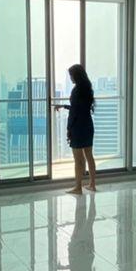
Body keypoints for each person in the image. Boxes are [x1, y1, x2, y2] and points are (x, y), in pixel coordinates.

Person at [53, 64, 97, 194]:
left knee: (78, 159)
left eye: (71, 75)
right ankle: (92, 184)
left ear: (76, 76)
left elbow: (74, 112)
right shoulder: (87, 88)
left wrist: (69, 128)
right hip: (87, 125)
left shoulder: (76, 90)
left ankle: (78, 187)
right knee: (89, 156)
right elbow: (80, 108)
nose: (70, 78)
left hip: (78, 127)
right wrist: (64, 106)